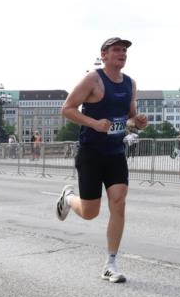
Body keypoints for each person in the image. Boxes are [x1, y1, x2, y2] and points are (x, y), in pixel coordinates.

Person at [56, 37, 149, 283]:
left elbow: (129, 119)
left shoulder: (130, 83)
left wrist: (138, 122)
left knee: (118, 201)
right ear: (104, 55)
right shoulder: (93, 79)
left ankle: (110, 263)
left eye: (124, 50)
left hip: (116, 153)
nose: (122, 53)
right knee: (90, 213)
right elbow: (67, 108)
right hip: (91, 153)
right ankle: (68, 198)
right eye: (116, 49)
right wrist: (94, 123)